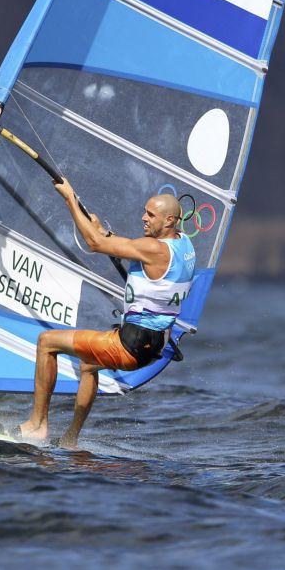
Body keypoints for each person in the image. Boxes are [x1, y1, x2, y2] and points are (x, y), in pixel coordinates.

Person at [16, 178, 195, 448]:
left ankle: (37, 425)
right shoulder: (184, 246)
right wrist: (104, 234)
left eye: (150, 215)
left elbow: (94, 243)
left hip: (129, 345)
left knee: (46, 342)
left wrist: (70, 199)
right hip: (153, 345)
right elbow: (125, 246)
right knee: (89, 364)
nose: (143, 217)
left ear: (169, 221)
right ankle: (70, 440)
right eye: (145, 211)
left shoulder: (155, 249)